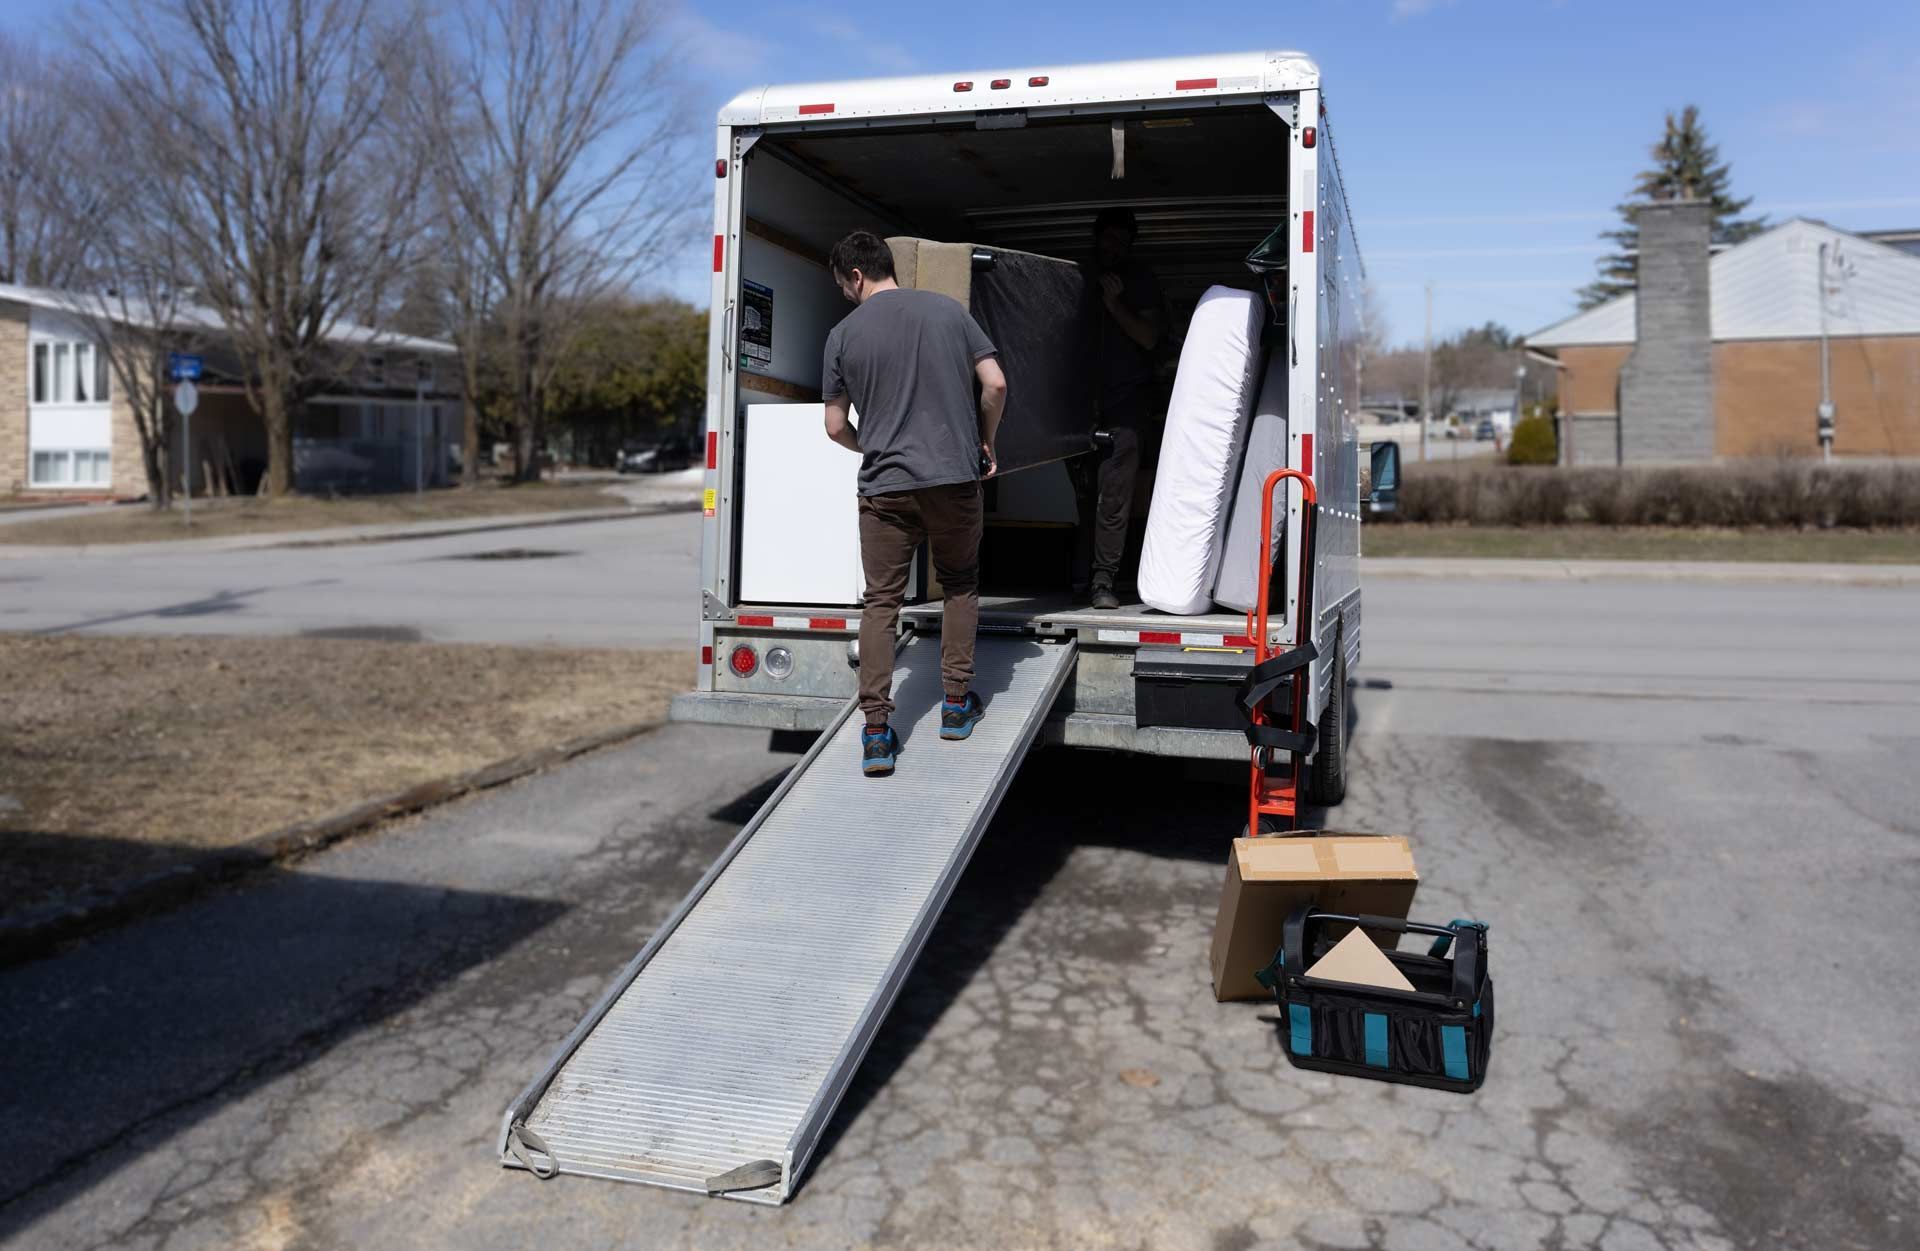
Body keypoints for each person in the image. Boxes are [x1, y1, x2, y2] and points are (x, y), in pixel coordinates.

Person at [821, 230, 1008, 778]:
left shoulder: (842, 334)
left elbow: (834, 426)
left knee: (881, 603)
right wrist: (986, 440)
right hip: (953, 478)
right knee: (960, 585)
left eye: (843, 286)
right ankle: (954, 706)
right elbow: (994, 383)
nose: (845, 296)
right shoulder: (949, 313)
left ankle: (876, 733)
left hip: (884, 490)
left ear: (857, 276)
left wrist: (870, 446)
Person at [1078, 206, 1165, 610]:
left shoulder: (1139, 280)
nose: (1112, 247)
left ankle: (1102, 581)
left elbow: (1148, 338)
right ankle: (1085, 574)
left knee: (1113, 497)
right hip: (1078, 406)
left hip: (1126, 404)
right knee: (1085, 495)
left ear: (1130, 244)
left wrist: (1115, 304)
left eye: (1121, 240)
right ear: (1096, 239)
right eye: (1107, 238)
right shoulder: (1078, 277)